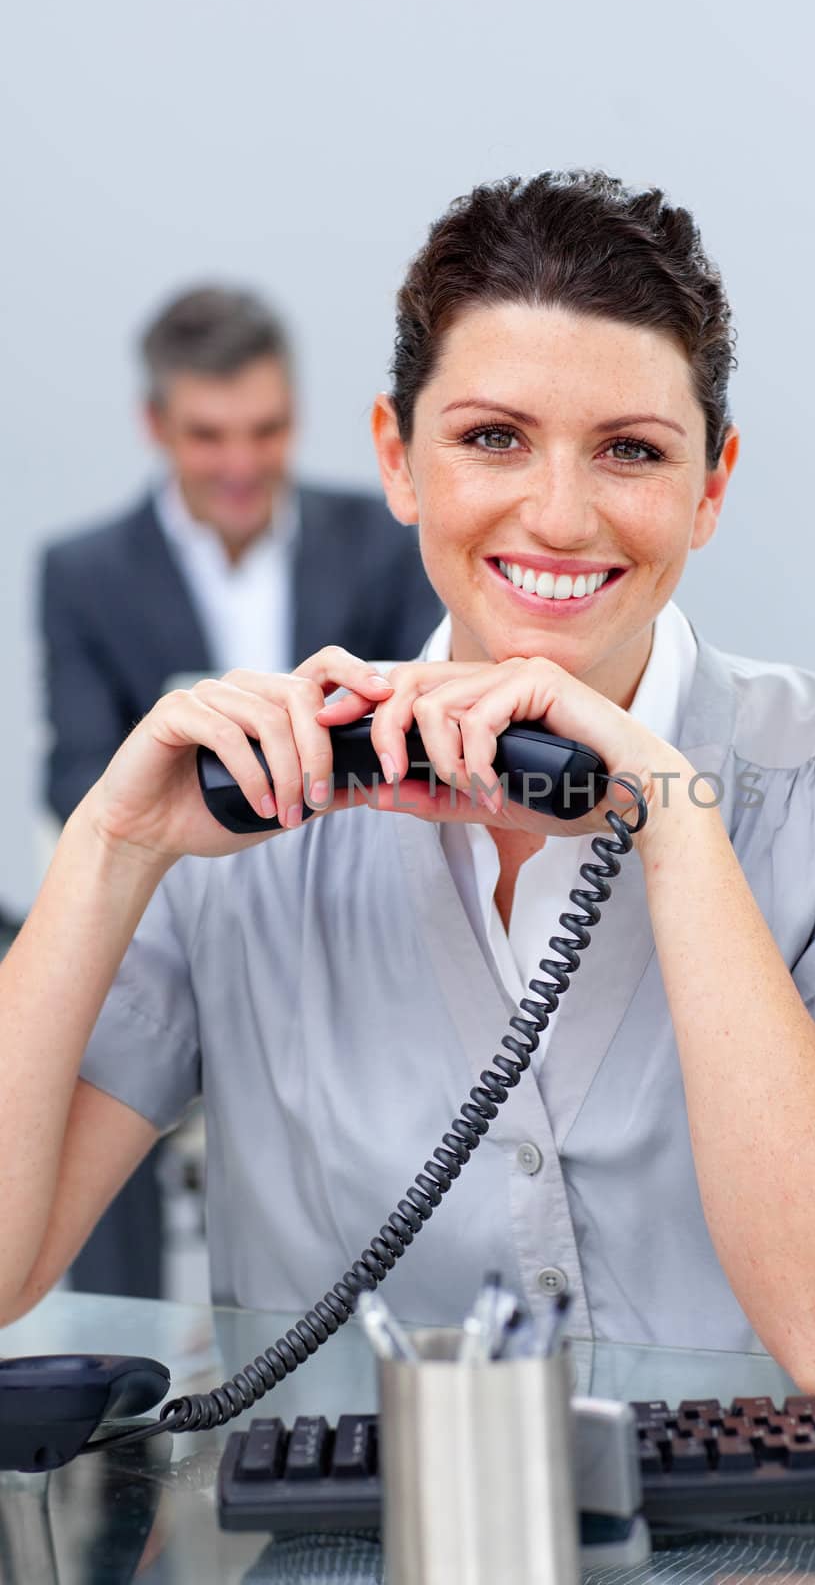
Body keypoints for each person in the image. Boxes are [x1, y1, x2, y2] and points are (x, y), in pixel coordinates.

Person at [2, 172, 815, 1389]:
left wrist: (677, 830)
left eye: (632, 451)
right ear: (398, 459)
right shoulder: (252, 813)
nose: (557, 514)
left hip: (790, 1575)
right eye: (492, 437)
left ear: (710, 486)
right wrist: (114, 845)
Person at [38, 284, 440, 1301]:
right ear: (157, 426)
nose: (240, 464)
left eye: (266, 430)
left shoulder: (385, 542)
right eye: (208, 435)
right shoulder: (84, 572)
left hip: (356, 881)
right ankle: (110, 1326)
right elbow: (76, 769)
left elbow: (422, 727)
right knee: (97, 1030)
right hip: (173, 891)